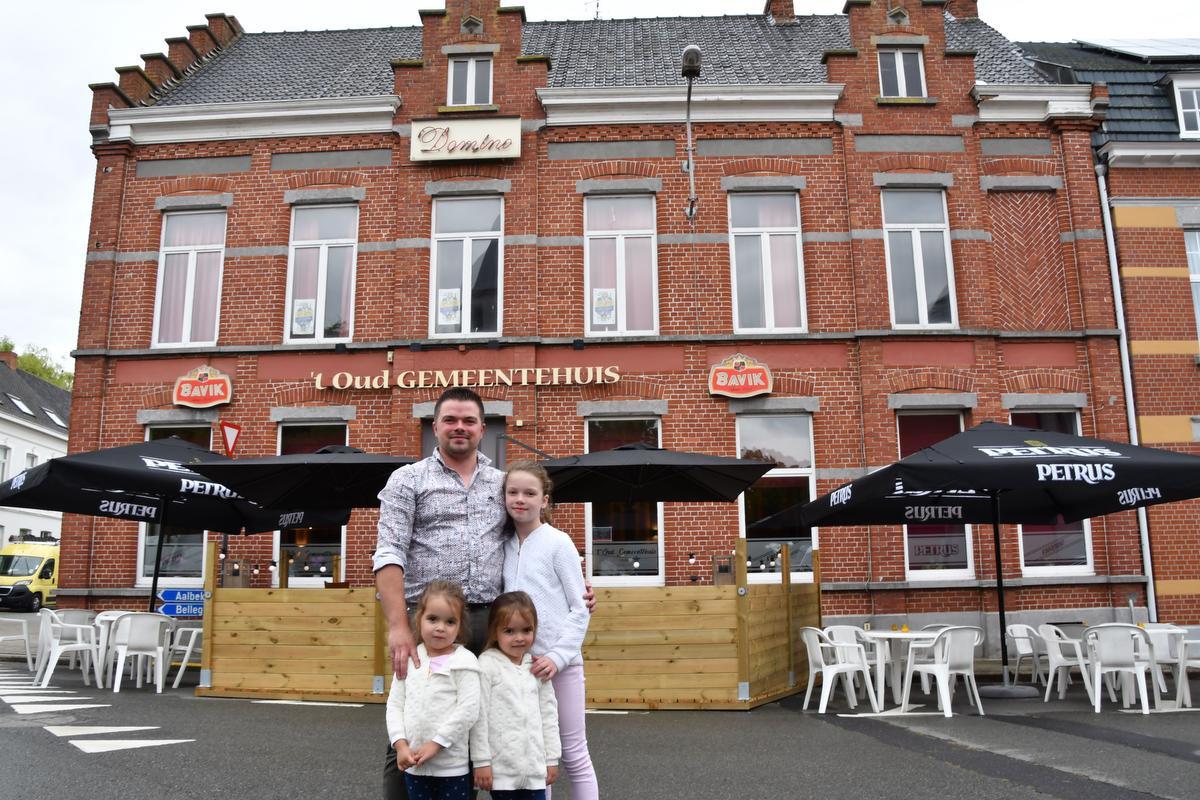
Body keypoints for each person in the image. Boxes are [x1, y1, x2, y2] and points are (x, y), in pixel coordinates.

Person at [376, 386, 594, 800]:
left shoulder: (501, 484)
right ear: (435, 426)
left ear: (481, 428)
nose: (459, 427)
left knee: (485, 725)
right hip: (430, 621)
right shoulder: (408, 480)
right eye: (451, 420)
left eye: (469, 421)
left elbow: (532, 539)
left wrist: (574, 583)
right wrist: (398, 626)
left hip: (491, 621)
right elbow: (389, 553)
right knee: (415, 721)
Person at [501, 461, 599, 799]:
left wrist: (558, 657)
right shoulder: (502, 546)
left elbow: (579, 607)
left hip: (561, 666)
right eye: (513, 492)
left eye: (530, 493)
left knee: (573, 753)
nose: (520, 499)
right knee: (536, 755)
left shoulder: (559, 543)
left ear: (544, 500)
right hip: (520, 667)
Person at [386, 580, 481, 800]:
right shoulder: (410, 659)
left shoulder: (466, 661)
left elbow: (468, 710)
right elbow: (395, 705)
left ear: (460, 627)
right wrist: (400, 745)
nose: (440, 627)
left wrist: (436, 743)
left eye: (450, 622)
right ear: (419, 619)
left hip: (451, 768)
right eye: (432, 619)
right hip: (414, 766)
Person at [471, 591, 560, 799]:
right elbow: (478, 717)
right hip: (502, 773)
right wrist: (481, 761)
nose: (519, 638)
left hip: (535, 772)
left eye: (526, 630)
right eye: (509, 631)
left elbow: (549, 716)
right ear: (494, 632)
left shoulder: (536, 667)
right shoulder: (487, 665)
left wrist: (552, 759)